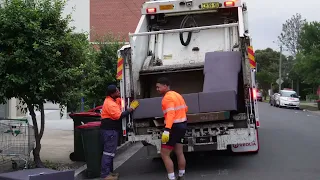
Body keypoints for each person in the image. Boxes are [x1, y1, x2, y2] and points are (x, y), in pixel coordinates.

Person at [100, 85, 138, 180]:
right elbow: (119, 116)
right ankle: (105, 175)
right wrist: (131, 109)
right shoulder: (110, 104)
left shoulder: (112, 100)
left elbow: (121, 103)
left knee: (111, 153)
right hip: (110, 131)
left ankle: (110, 173)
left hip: (111, 130)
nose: (119, 92)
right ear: (112, 93)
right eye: (117, 91)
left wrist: (129, 101)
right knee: (108, 153)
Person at [156, 77, 188, 180]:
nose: (157, 89)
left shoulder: (167, 98)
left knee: (164, 154)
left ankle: (171, 178)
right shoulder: (177, 95)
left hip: (173, 127)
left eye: (158, 87)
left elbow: (170, 114)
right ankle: (181, 175)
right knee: (179, 151)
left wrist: (167, 129)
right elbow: (185, 108)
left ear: (165, 86)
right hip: (182, 125)